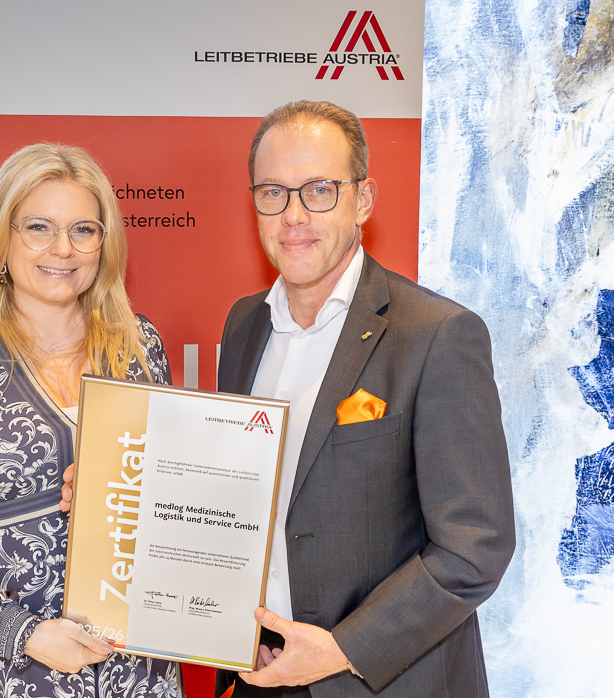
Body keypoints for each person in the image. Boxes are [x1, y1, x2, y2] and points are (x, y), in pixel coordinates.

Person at [214, 101, 516, 697]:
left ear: (364, 200)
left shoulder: (437, 334)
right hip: (260, 674)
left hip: (384, 683)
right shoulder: (245, 324)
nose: (294, 215)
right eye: (273, 192)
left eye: (319, 190)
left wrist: (341, 651)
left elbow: (475, 545)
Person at [0, 143, 179, 698]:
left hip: (138, 670)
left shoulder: (139, 348)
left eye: (83, 230)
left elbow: (178, 500)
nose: (62, 249)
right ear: (2, 236)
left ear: (104, 244)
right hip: (14, 670)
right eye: (39, 227)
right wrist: (20, 633)